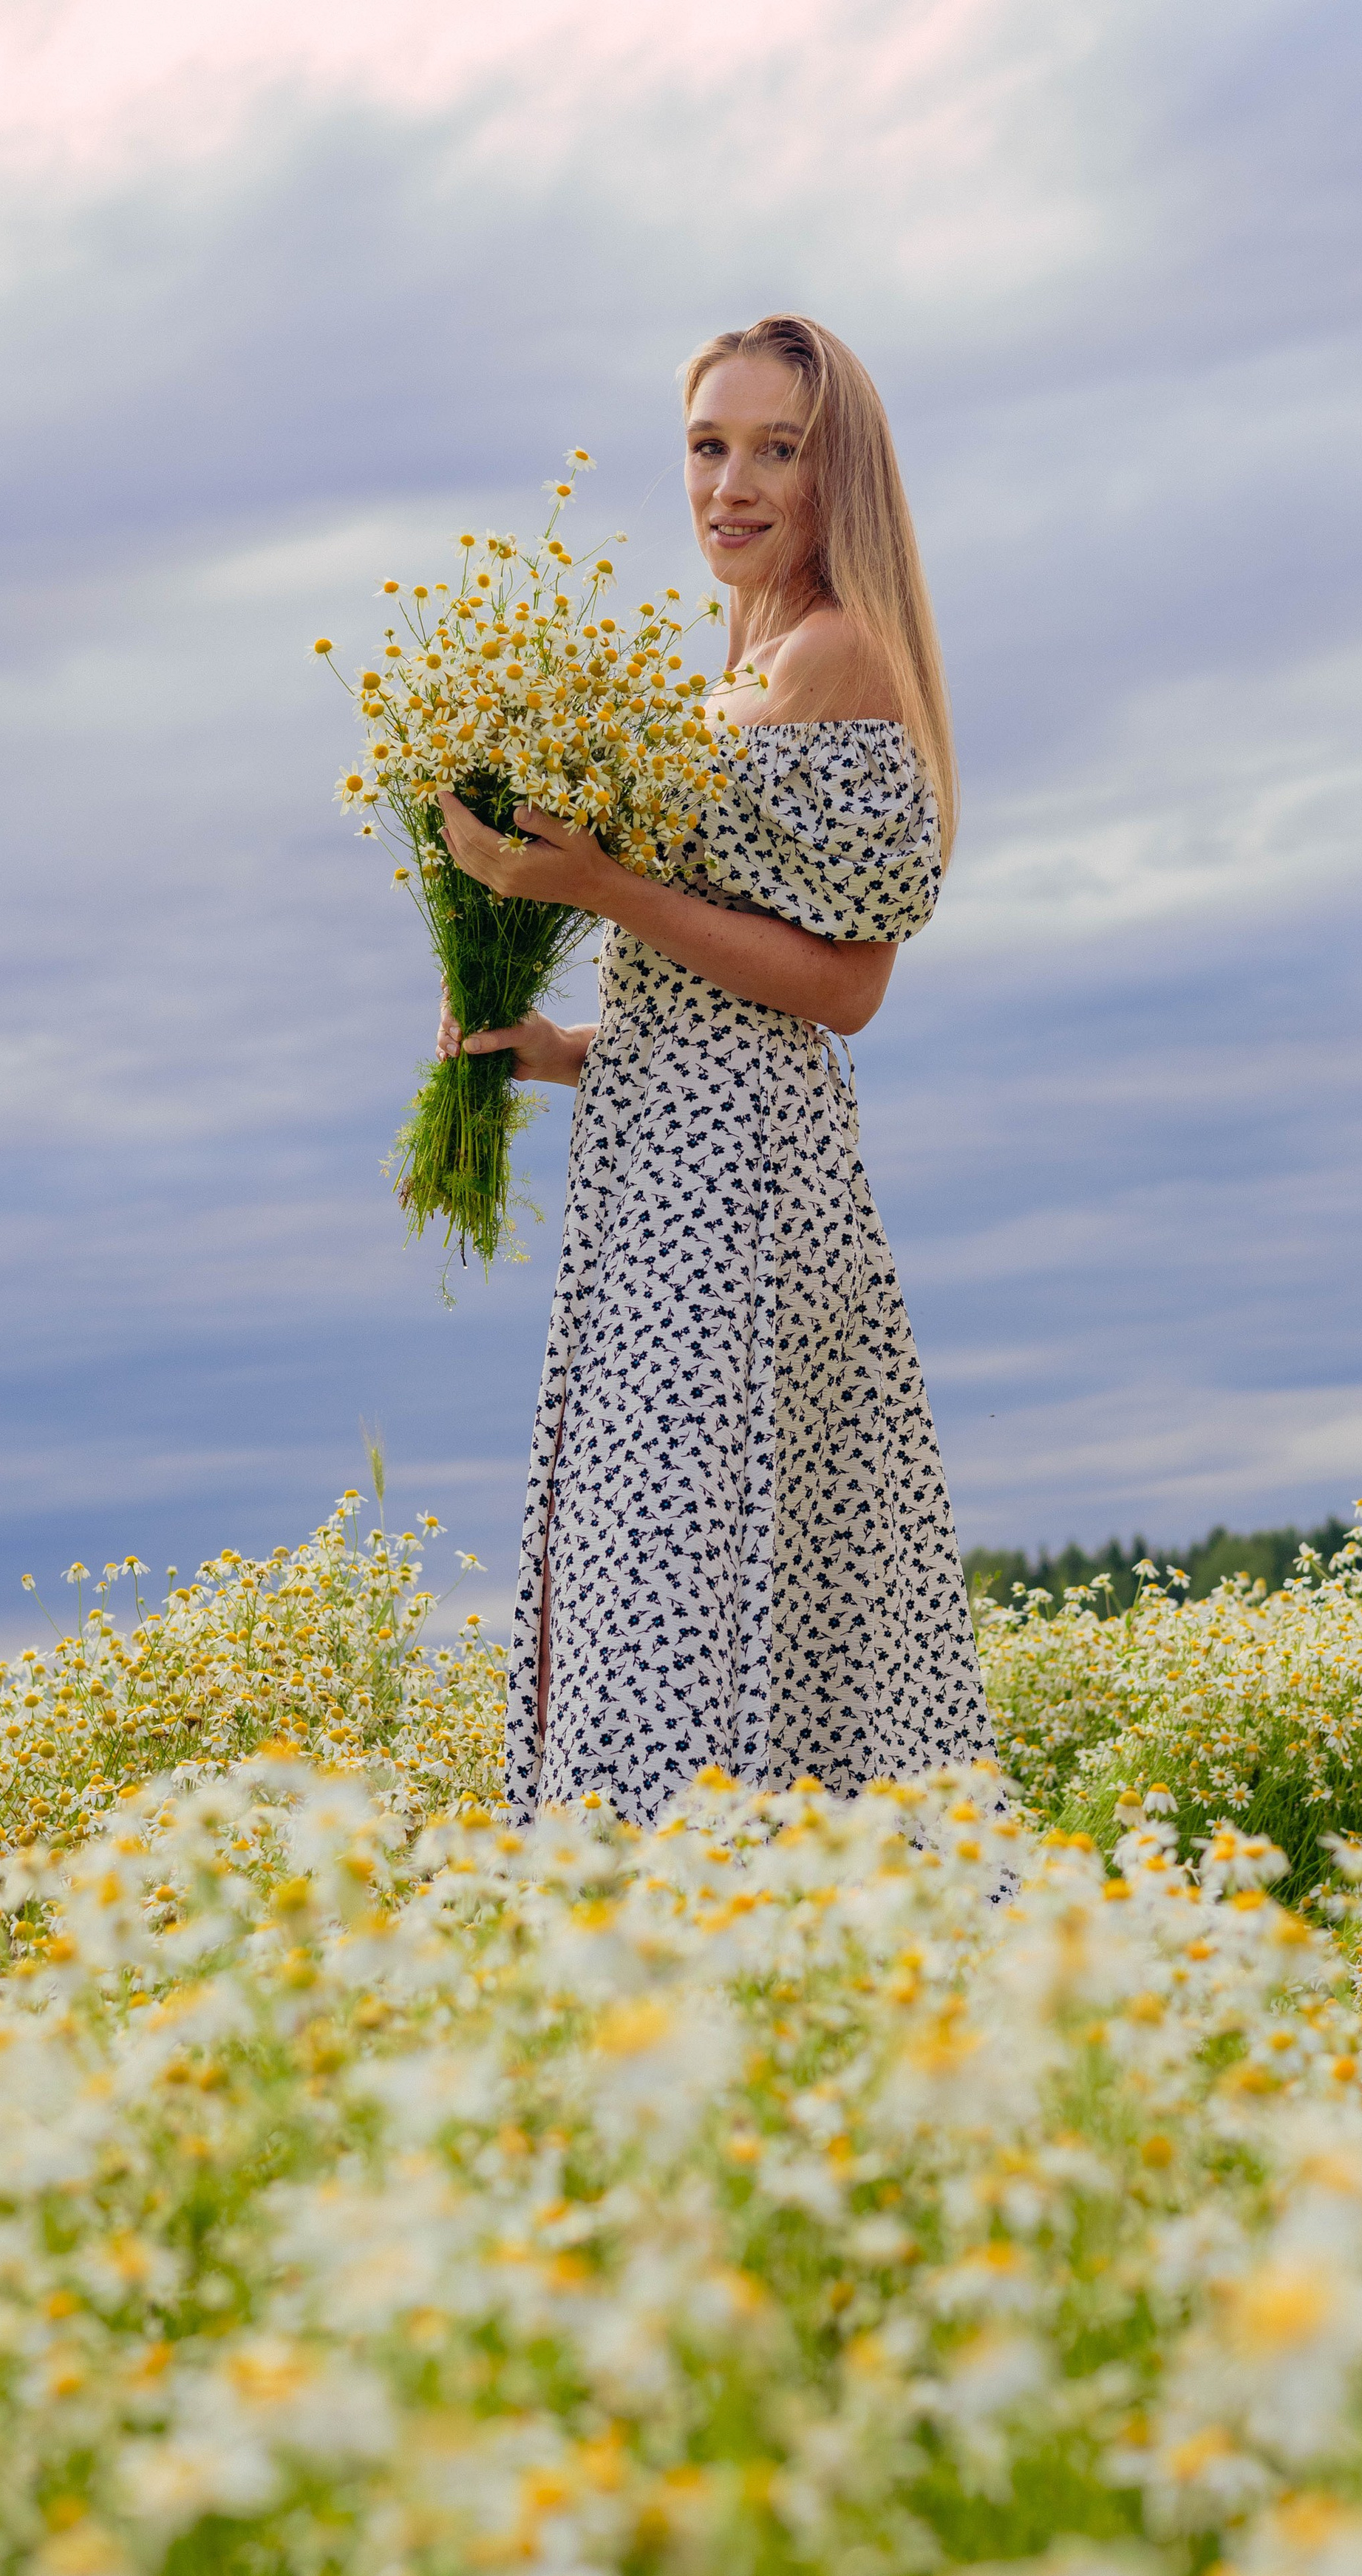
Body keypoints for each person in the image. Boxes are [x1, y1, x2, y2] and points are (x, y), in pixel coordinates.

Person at [435, 312, 995, 1826]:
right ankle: (730, 1955)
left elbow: (843, 987)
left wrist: (598, 886)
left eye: (774, 449)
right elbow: (716, 986)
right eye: (705, 444)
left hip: (737, 1188)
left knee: (681, 1585)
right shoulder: (730, 668)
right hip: (659, 1162)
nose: (728, 483)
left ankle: (686, 1934)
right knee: (663, 1577)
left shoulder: (834, 652)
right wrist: (555, 1048)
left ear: (838, 476)